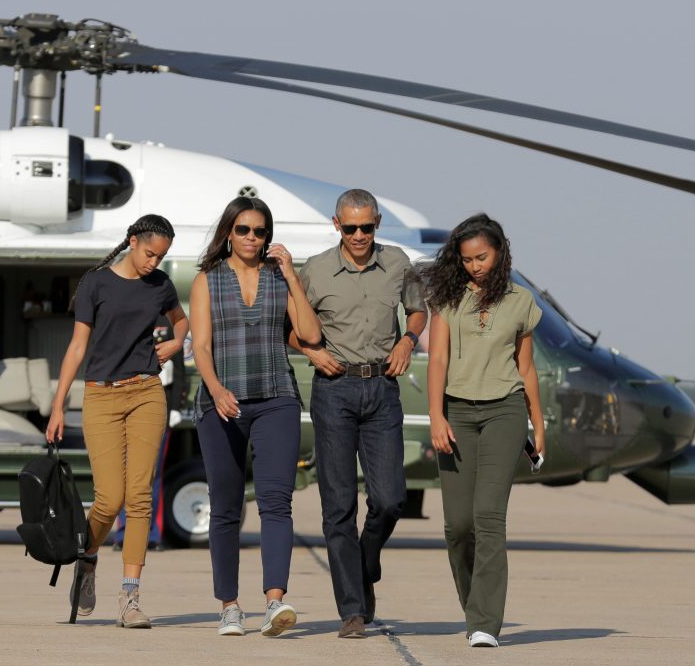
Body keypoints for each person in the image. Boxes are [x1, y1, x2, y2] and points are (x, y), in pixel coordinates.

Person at [293, 188, 427, 638]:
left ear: (377, 223)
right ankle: (352, 609)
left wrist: (408, 340)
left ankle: (366, 560)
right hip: (333, 389)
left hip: (382, 387)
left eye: (366, 227)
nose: (358, 235)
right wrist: (313, 356)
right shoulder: (314, 270)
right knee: (338, 505)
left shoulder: (397, 262)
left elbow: (417, 310)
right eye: (349, 227)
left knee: (390, 499)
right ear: (336, 225)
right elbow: (288, 329)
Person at [45, 214, 189, 629]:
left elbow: (181, 321)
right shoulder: (96, 283)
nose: (154, 262)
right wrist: (58, 406)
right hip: (101, 396)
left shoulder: (160, 285)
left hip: (146, 392)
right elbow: (76, 347)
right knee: (108, 498)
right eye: (149, 253)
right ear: (132, 242)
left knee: (140, 495)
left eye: (161, 256)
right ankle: (87, 562)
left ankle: (130, 596)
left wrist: (177, 342)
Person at [190, 196, 321, 637]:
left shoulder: (278, 277)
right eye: (244, 229)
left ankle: (274, 603)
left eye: (260, 231)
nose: (252, 238)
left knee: (276, 503)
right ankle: (230, 606)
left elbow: (309, 334)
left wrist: (291, 276)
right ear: (230, 231)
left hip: (277, 399)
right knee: (225, 508)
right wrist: (216, 388)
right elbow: (201, 348)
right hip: (221, 402)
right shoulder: (207, 280)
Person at [423, 213, 544, 648]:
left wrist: (538, 424)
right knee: (458, 525)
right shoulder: (448, 300)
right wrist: (436, 416)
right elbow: (437, 361)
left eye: (482, 257)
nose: (475, 266)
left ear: (499, 253)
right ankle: (474, 606)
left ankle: (485, 623)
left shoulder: (521, 301)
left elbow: (526, 368)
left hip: (505, 413)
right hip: (456, 413)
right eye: (468, 259)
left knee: (489, 517)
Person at [113, 317, 187, 551]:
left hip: (159, 410)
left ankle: (152, 534)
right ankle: (124, 533)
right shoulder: (126, 320)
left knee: (152, 476)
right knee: (126, 476)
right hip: (129, 409)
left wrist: (175, 406)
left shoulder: (167, 323)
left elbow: (179, 372)